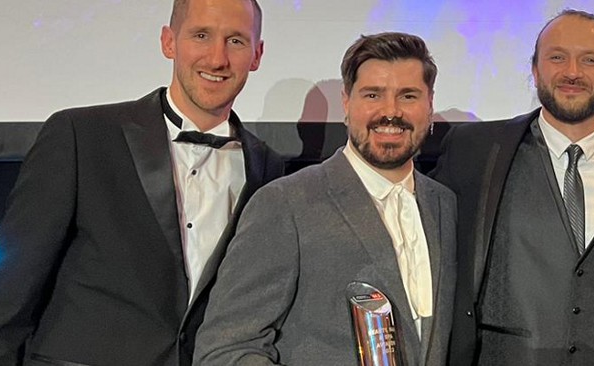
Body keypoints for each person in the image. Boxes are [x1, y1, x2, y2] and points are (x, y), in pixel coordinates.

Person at [0, 0, 281, 364]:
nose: (217, 58)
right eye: (201, 36)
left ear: (257, 54)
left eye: (235, 41)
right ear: (168, 42)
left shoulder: (267, 169)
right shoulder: (82, 135)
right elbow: (8, 295)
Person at [193, 32, 456, 365]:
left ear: (430, 104)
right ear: (346, 103)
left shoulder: (445, 205)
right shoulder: (285, 204)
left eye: (408, 95)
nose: (391, 111)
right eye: (373, 94)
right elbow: (225, 349)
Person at [432, 9, 594, 365]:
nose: (572, 72)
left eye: (589, 60)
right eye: (557, 57)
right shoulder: (474, 152)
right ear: (535, 68)